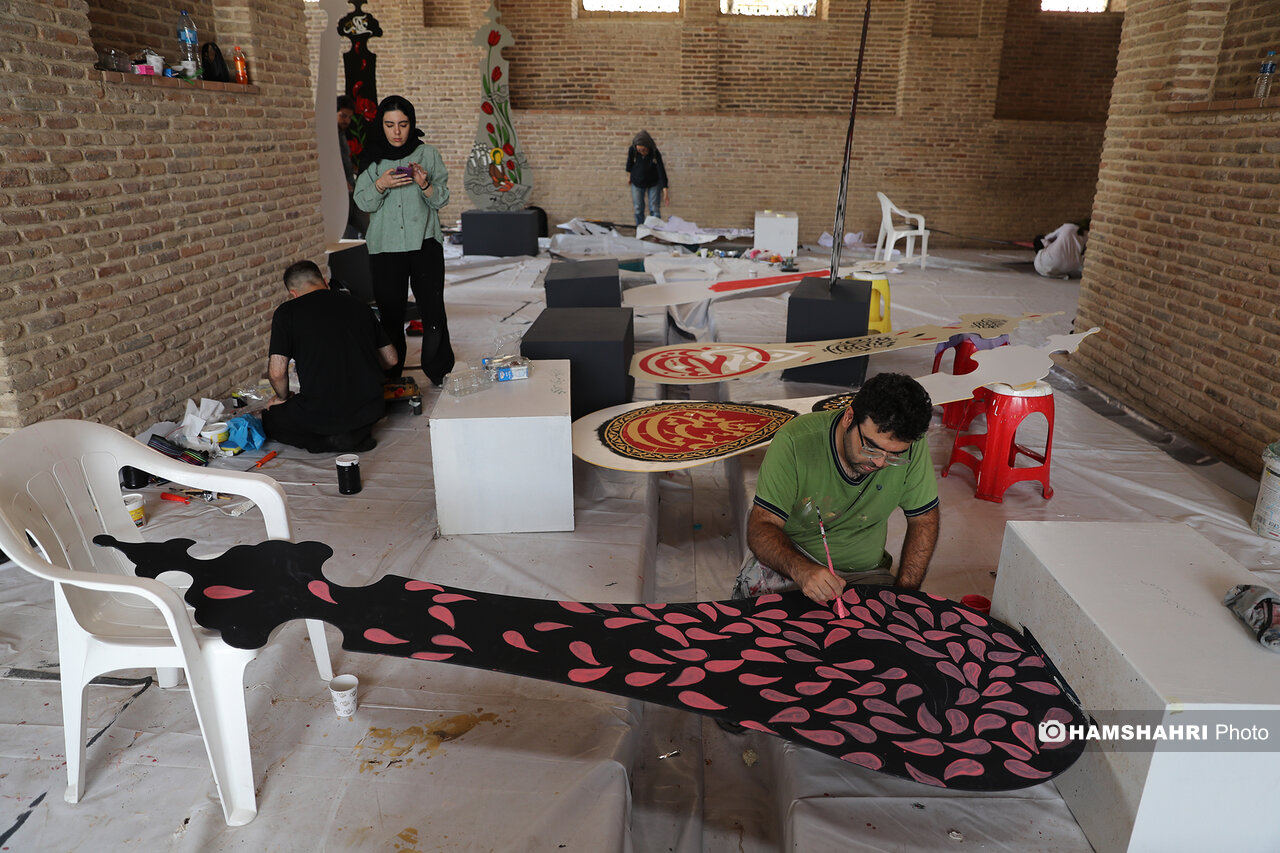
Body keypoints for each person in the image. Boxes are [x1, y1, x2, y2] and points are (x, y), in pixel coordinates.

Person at [735, 373, 940, 603]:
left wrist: (904, 595)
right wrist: (801, 569)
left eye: (894, 455)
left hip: (866, 573)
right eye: (871, 447)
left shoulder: (909, 446)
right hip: (790, 566)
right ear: (849, 417)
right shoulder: (795, 441)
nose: (880, 462)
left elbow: (924, 518)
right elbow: (761, 527)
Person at [353, 95, 454, 384]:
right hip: (385, 248)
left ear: (412, 124)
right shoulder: (372, 158)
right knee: (390, 315)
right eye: (389, 125)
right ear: (381, 126)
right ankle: (391, 376)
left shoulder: (428, 154)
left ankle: (439, 372)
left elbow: (442, 199)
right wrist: (380, 184)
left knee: (433, 311)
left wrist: (425, 184)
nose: (396, 132)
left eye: (403, 124)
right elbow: (363, 203)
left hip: (425, 244)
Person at [262, 260, 397, 453]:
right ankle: (351, 436)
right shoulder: (358, 304)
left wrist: (282, 397)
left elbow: (276, 373)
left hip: (320, 412)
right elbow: (391, 359)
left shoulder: (286, 313)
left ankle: (331, 440)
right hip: (369, 408)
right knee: (347, 414)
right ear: (324, 281)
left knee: (270, 417)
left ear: (293, 293)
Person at [337, 95, 368, 238]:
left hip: (351, 191)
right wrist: (340, 181)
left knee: (369, 226)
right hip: (338, 193)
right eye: (343, 116)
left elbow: (344, 160)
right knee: (340, 233)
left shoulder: (342, 133)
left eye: (349, 117)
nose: (347, 121)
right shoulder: (328, 136)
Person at [625, 130, 669, 226]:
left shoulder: (654, 152)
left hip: (653, 182)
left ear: (648, 146)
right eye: (639, 150)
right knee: (638, 208)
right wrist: (629, 177)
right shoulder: (632, 150)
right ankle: (640, 229)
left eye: (644, 150)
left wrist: (665, 189)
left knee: (654, 208)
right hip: (637, 181)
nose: (642, 152)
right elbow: (629, 164)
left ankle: (656, 230)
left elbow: (661, 170)